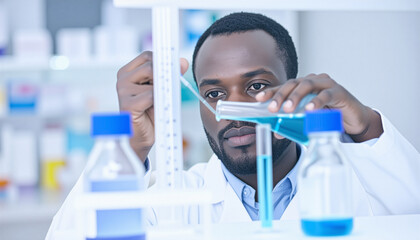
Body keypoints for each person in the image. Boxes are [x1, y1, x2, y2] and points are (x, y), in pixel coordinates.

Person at [47, 12, 420, 237]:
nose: (234, 111)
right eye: (213, 94)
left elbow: (410, 213)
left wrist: (367, 127)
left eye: (257, 86)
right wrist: (130, 147)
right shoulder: (171, 199)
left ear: (295, 86)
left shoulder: (353, 183)